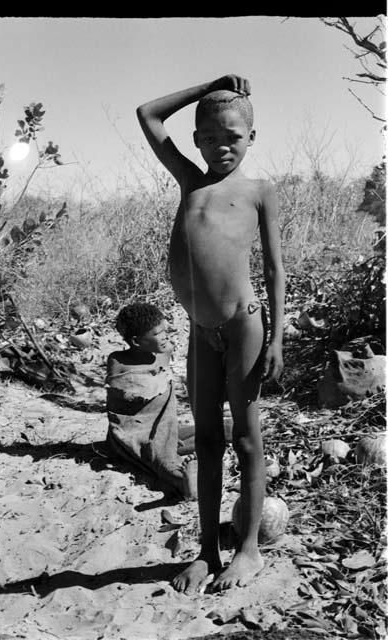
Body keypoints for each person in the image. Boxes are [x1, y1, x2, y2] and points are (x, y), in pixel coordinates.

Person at [136, 74, 285, 592]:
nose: (223, 146)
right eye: (211, 137)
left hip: (244, 325)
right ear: (196, 141)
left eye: (234, 136)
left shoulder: (258, 191)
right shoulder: (189, 181)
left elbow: (274, 270)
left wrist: (279, 337)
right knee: (206, 440)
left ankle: (247, 552)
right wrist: (213, 85)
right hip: (201, 331)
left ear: (251, 137)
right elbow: (148, 114)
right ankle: (205, 551)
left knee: (246, 439)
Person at [106, 302, 197, 501]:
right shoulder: (117, 362)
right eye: (157, 333)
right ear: (137, 342)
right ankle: (185, 482)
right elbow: (120, 408)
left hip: (166, 430)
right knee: (163, 460)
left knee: (215, 432)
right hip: (134, 435)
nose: (165, 335)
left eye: (165, 330)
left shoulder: (164, 353)